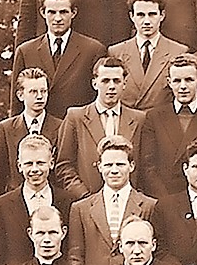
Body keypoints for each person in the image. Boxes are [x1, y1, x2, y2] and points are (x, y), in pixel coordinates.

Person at [139, 53, 197, 196]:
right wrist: (166, 201)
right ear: (169, 82)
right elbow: (148, 167)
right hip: (164, 200)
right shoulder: (154, 117)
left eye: (189, 80)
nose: (183, 86)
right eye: (177, 81)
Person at [53, 55, 147, 198]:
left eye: (116, 81)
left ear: (124, 83)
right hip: (87, 202)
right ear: (95, 83)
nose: (111, 87)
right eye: (105, 81)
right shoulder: (76, 117)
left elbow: (144, 166)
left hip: (128, 202)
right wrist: (84, 196)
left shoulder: (139, 119)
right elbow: (64, 166)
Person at [10, 0, 107, 118]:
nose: (57, 18)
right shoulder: (26, 51)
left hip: (77, 130)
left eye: (63, 12)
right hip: (38, 133)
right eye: (51, 12)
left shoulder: (93, 50)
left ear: (73, 13)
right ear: (42, 12)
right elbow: (16, 105)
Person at [66, 136, 157, 265]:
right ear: (100, 166)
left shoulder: (149, 206)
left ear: (131, 166)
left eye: (120, 164)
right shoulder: (80, 209)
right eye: (108, 165)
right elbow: (75, 258)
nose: (114, 170)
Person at [0, 134, 77, 265]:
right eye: (29, 163)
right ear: (19, 166)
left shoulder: (69, 202)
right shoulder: (1, 206)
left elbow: (72, 249)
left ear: (51, 163)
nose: (35, 169)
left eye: (40, 163)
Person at [109, 0, 189, 110]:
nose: (146, 21)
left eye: (152, 14)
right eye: (141, 15)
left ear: (162, 15)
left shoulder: (178, 52)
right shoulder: (116, 52)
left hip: (161, 122)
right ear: (132, 16)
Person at [0, 68, 64, 195]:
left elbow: (63, 171)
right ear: (20, 95)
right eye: (33, 92)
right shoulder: (5, 128)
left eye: (43, 91)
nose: (40, 96)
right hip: (14, 203)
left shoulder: (61, 126)